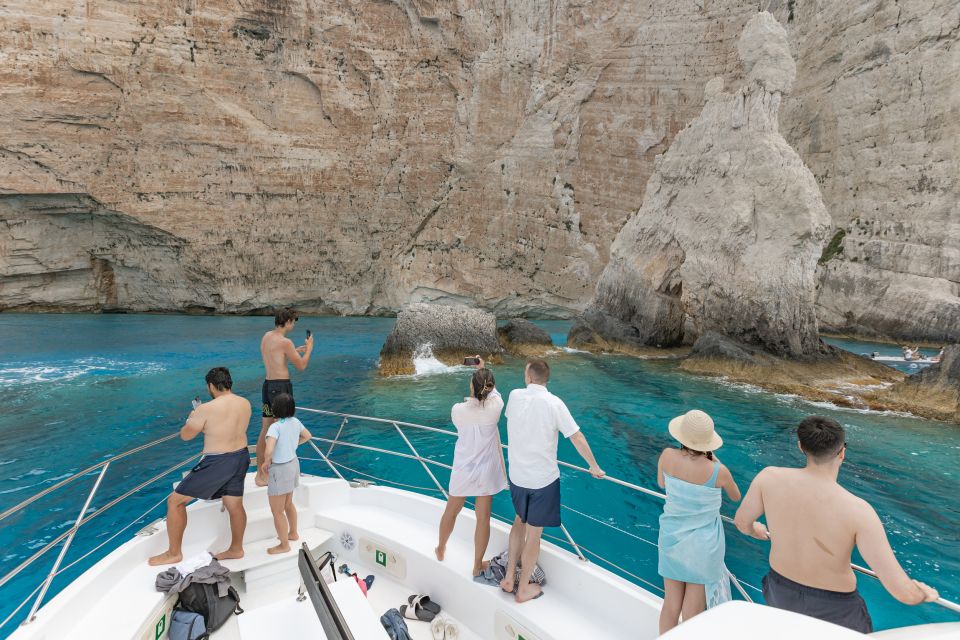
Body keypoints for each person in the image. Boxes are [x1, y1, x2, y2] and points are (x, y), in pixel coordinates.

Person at [734, 416, 939, 633]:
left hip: (780, 590)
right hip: (834, 608)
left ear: (801, 447)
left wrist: (756, 530)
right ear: (842, 452)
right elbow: (903, 593)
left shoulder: (768, 478)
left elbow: (742, 523)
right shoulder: (859, 510)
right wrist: (924, 593)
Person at [499, 358, 605, 603]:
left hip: (517, 476)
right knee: (534, 534)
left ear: (528, 377)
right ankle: (523, 588)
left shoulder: (514, 396)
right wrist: (594, 466)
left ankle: (508, 579)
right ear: (546, 380)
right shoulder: (554, 403)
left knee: (519, 521)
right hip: (541, 480)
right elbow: (576, 437)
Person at [148, 367, 252, 566]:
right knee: (234, 505)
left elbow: (186, 436)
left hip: (218, 462)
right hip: (241, 456)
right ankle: (236, 549)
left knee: (175, 501)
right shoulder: (244, 403)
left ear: (211, 386)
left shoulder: (205, 409)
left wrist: (192, 417)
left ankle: (174, 552)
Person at [656, 410, 741, 634]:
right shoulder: (718, 471)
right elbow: (735, 496)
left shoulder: (666, 455)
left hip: (671, 537)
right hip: (702, 546)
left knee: (671, 604)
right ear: (708, 442)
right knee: (692, 613)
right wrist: (715, 461)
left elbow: (661, 484)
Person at [435, 356, 507, 576]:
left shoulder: (458, 410)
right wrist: (484, 369)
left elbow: (478, 398)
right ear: (491, 387)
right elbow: (493, 394)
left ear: (472, 387)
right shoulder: (495, 409)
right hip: (485, 472)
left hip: (463, 470)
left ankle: (441, 548)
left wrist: (479, 373)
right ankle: (477, 565)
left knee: (452, 511)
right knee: (483, 518)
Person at [256, 307, 313, 486]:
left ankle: (261, 475)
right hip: (281, 388)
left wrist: (293, 351)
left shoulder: (266, 336)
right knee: (284, 428)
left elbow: (276, 357)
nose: (294, 324)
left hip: (267, 387)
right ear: (288, 321)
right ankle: (282, 469)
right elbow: (302, 366)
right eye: (293, 320)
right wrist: (309, 349)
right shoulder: (285, 342)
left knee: (266, 429)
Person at [261, 393, 312, 555]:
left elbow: (269, 449)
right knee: (288, 503)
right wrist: (292, 445)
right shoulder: (295, 421)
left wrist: (266, 462)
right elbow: (307, 436)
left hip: (280, 469)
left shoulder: (275, 427)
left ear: (275, 409)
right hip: (293, 464)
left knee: (277, 511)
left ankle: (284, 545)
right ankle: (293, 533)